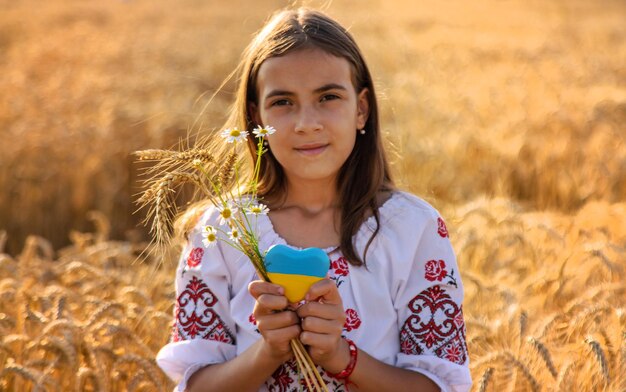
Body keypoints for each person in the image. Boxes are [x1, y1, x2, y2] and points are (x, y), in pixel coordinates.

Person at [156, 7, 472, 392]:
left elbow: (440, 386)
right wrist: (269, 351)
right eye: (283, 102)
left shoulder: (413, 229)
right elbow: (195, 385)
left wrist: (343, 357)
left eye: (328, 97)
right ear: (257, 121)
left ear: (362, 109)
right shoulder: (222, 231)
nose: (307, 122)